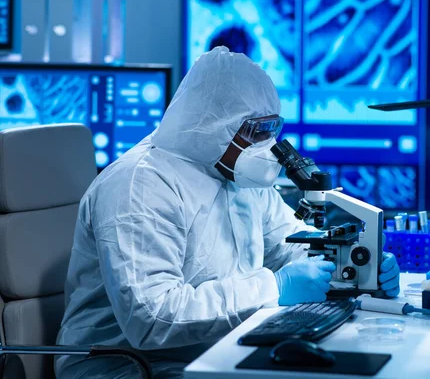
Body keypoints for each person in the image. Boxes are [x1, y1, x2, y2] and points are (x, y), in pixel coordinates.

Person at [55, 46, 400, 379]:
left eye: (271, 129)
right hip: (129, 365)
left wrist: (357, 269)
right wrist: (274, 288)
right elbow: (153, 317)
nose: (266, 146)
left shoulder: (234, 173)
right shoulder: (140, 185)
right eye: (256, 131)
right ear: (213, 126)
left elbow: (288, 245)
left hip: (215, 351)